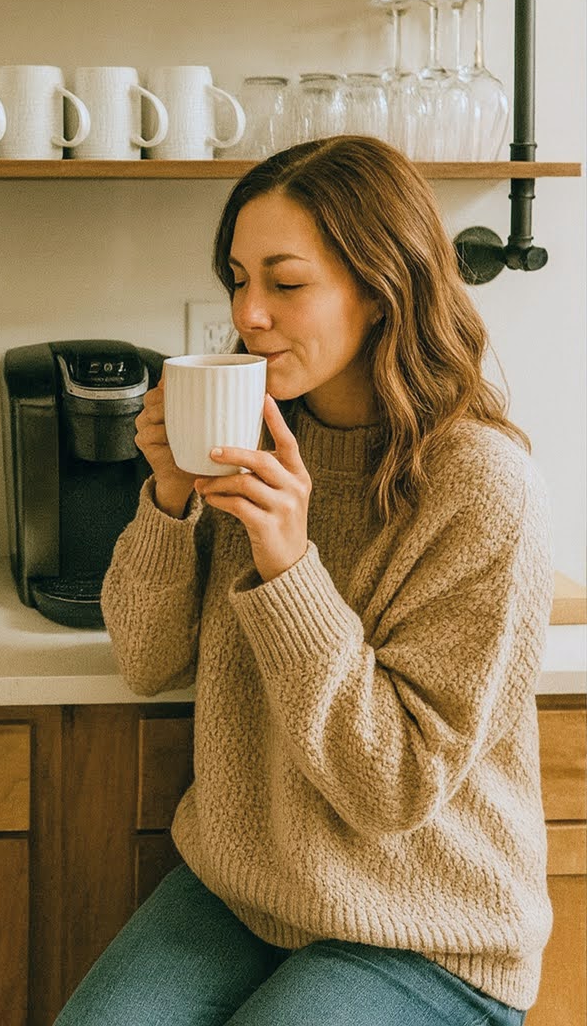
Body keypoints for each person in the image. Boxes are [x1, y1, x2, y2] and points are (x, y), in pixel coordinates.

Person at [54, 136, 552, 1026]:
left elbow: (392, 788)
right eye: (237, 279)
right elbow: (144, 659)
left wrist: (288, 566)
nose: (249, 313)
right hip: (248, 888)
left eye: (286, 284)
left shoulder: (478, 484)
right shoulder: (247, 431)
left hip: (426, 923)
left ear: (381, 286)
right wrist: (169, 497)